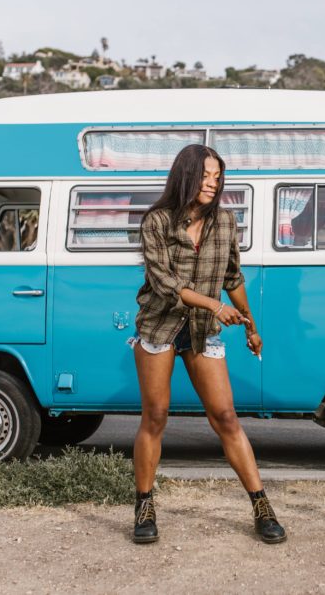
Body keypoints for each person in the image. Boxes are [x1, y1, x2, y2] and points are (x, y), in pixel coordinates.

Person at [130, 143, 285, 545]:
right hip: (160, 325)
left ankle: (261, 506)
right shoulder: (157, 221)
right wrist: (215, 306)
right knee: (156, 416)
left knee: (226, 418)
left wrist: (250, 324)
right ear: (186, 175)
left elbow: (232, 276)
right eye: (205, 176)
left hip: (201, 329)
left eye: (217, 177)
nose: (212, 184)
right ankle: (144, 505)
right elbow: (165, 286)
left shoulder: (226, 222)